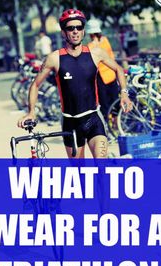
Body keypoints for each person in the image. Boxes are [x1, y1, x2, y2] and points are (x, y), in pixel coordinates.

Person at [18, 9, 132, 158]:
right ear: (63, 32)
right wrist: (31, 111)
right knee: (79, 173)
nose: (75, 31)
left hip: (93, 118)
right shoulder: (54, 58)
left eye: (79, 27)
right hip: (70, 123)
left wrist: (124, 93)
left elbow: (118, 69)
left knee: (102, 166)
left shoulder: (95, 53)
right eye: (70, 28)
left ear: (83, 30)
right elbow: (35, 85)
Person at [87, 19, 119, 119]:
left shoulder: (90, 46)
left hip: (101, 77)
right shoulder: (105, 40)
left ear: (90, 34)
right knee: (115, 100)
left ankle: (108, 122)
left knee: (105, 103)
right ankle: (116, 122)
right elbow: (112, 56)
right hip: (112, 74)